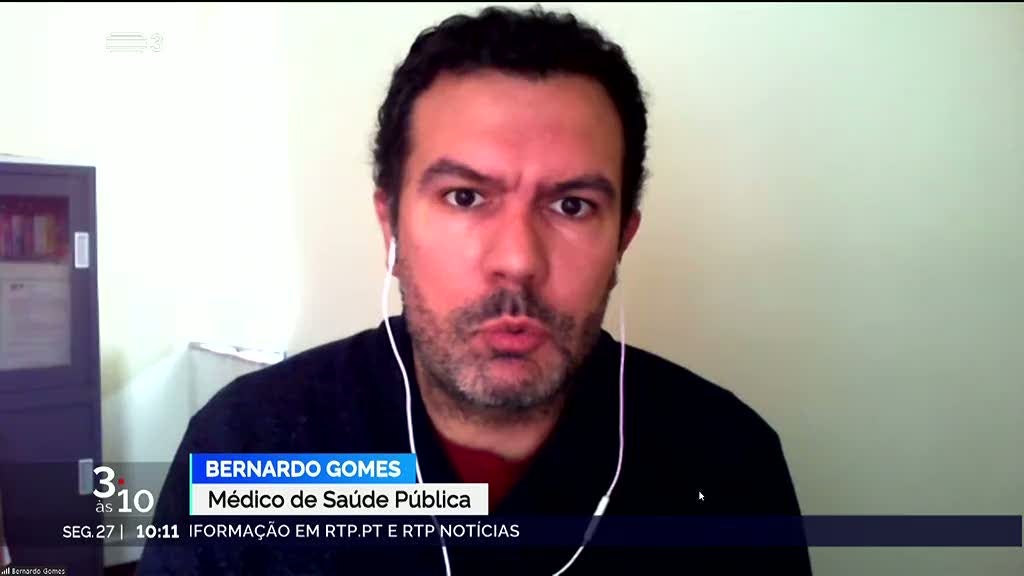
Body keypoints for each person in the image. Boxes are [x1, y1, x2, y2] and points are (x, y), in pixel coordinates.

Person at [139, 6, 812, 575]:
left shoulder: (725, 463)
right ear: (390, 224)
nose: (517, 261)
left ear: (622, 239)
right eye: (465, 196)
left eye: (572, 205)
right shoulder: (251, 445)